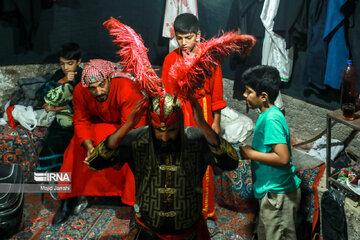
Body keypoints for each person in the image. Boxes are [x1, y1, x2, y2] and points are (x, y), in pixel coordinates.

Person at [85, 93, 239, 239]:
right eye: (158, 130)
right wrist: (128, 125)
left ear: (179, 122)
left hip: (188, 228)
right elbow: (95, 162)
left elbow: (231, 162)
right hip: (147, 227)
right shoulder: (137, 138)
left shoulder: (196, 138)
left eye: (171, 130)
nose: (164, 137)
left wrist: (203, 125)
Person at [52, 59, 147, 225]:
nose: (98, 92)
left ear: (109, 78)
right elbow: (80, 121)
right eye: (93, 88)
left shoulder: (127, 88)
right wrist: (89, 146)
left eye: (101, 85)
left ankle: (135, 205)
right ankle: (68, 199)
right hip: (99, 125)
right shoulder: (80, 91)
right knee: (74, 149)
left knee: (135, 151)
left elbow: (132, 126)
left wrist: (109, 148)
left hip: (127, 128)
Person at [161, 13, 226, 233]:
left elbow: (217, 93)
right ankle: (182, 209)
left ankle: (207, 214)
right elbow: (167, 95)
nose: (184, 43)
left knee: (203, 163)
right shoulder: (170, 59)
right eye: (179, 38)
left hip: (203, 111)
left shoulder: (210, 58)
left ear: (198, 35)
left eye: (188, 37)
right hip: (180, 112)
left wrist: (216, 123)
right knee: (179, 161)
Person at [239, 65, 301, 240]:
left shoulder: (272, 119)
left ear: (264, 96)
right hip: (271, 191)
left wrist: (250, 154)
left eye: (249, 91)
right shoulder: (266, 114)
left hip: (278, 196)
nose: (244, 95)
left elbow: (282, 158)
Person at [36, 42, 82, 171]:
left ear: (78, 61)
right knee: (51, 142)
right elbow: (42, 93)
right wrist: (62, 81)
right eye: (62, 63)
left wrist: (55, 108)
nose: (66, 67)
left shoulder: (83, 76)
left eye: (70, 63)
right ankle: (52, 179)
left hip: (77, 116)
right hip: (61, 116)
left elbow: (82, 104)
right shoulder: (59, 74)